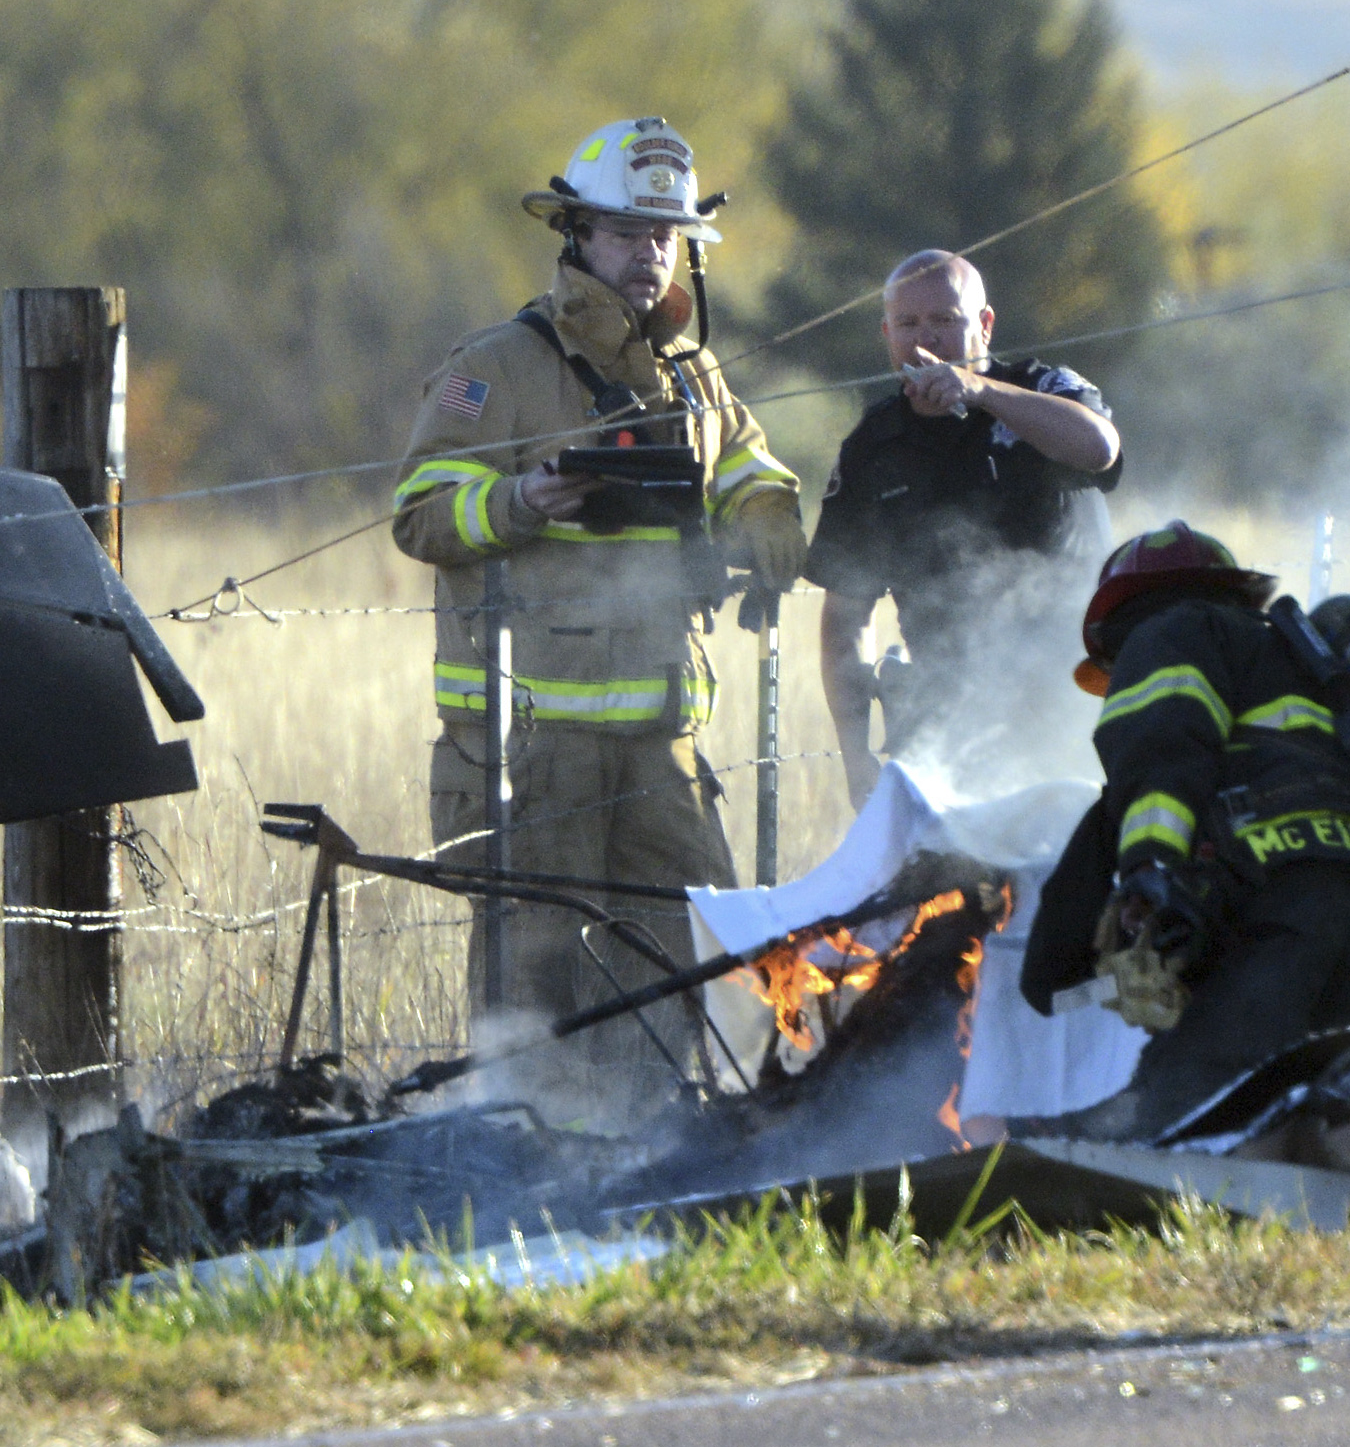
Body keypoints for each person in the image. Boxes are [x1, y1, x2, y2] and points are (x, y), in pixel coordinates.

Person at [391, 117, 803, 1117]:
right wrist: (517, 502)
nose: (649, 254)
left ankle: (657, 1159)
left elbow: (757, 475)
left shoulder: (694, 378)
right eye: (626, 233)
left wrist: (762, 519)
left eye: (665, 237)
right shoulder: (496, 365)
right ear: (574, 235)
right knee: (536, 987)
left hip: (661, 744)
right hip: (530, 749)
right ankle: (526, 1168)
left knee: (682, 962)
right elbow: (418, 510)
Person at [1017, 524, 1350, 1139]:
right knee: (1332, 1128)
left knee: (1180, 1110)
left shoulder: (1170, 632)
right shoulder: (1314, 665)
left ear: (1121, 626)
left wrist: (1149, 872)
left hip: (1280, 912)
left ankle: (1013, 1162)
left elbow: (1160, 749)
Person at [804, 250, 1121, 805]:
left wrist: (982, 393)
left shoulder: (1044, 387)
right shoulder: (872, 447)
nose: (927, 338)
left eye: (946, 320)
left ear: (985, 325)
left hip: (1073, 697)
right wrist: (857, 761)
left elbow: (1099, 448)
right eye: (908, 324)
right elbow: (845, 620)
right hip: (948, 713)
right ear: (886, 334)